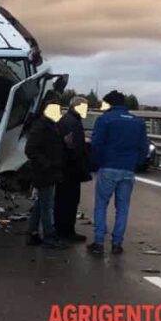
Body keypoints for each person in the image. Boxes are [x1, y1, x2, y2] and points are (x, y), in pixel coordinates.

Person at [87, 90, 149, 255]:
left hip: (108, 167)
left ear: (109, 103)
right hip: (128, 170)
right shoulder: (138, 122)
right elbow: (144, 147)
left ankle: (99, 242)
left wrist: (96, 163)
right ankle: (117, 243)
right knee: (122, 208)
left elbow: (96, 144)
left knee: (101, 205)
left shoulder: (105, 119)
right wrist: (135, 163)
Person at [24, 99, 67, 249]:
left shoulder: (48, 126)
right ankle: (49, 236)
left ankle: (33, 233)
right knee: (47, 206)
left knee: (41, 203)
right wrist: (47, 164)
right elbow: (30, 150)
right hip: (44, 172)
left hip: (47, 171)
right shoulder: (41, 127)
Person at [55, 96, 92, 241]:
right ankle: (66, 232)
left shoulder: (65, 120)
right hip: (71, 170)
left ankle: (61, 230)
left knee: (62, 201)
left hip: (64, 168)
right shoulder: (73, 123)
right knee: (69, 202)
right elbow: (74, 148)